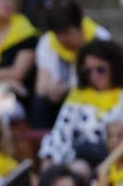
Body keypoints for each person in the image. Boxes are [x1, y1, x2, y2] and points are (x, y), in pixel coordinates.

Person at [40, 40, 123, 168]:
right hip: (74, 161)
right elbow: (60, 135)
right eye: (88, 71)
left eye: (100, 70)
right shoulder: (77, 97)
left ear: (114, 66)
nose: (95, 76)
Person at [33, 0, 111, 129]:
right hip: (60, 102)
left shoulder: (100, 39)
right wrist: (50, 91)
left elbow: (104, 83)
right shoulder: (47, 42)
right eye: (58, 34)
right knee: (39, 103)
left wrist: (69, 89)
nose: (62, 39)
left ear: (79, 26)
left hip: (90, 99)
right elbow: (40, 87)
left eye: (66, 32)